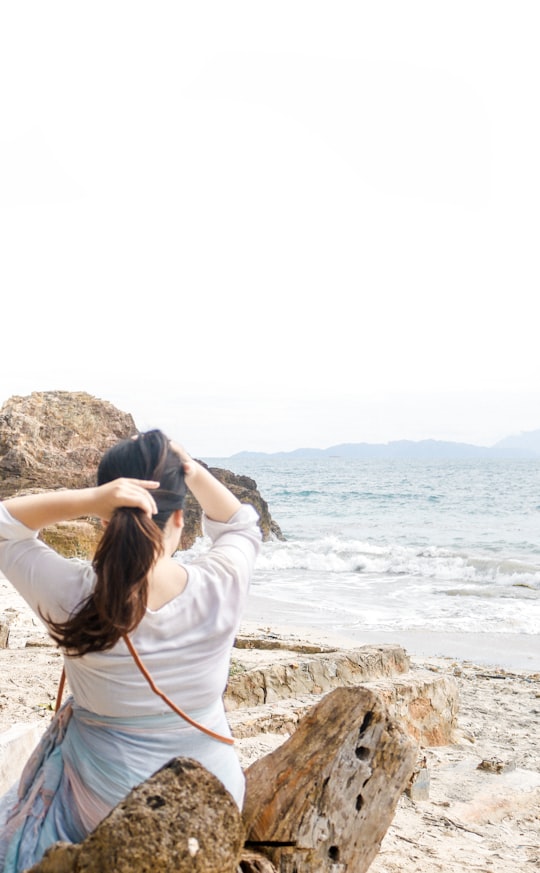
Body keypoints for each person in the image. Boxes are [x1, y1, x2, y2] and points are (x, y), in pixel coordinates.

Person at [0, 430, 261, 872]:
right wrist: (190, 467)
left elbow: (6, 528)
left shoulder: (71, 595)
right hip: (213, 800)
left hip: (105, 806)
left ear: (105, 518)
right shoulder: (221, 584)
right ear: (181, 520)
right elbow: (241, 524)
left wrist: (89, 499)